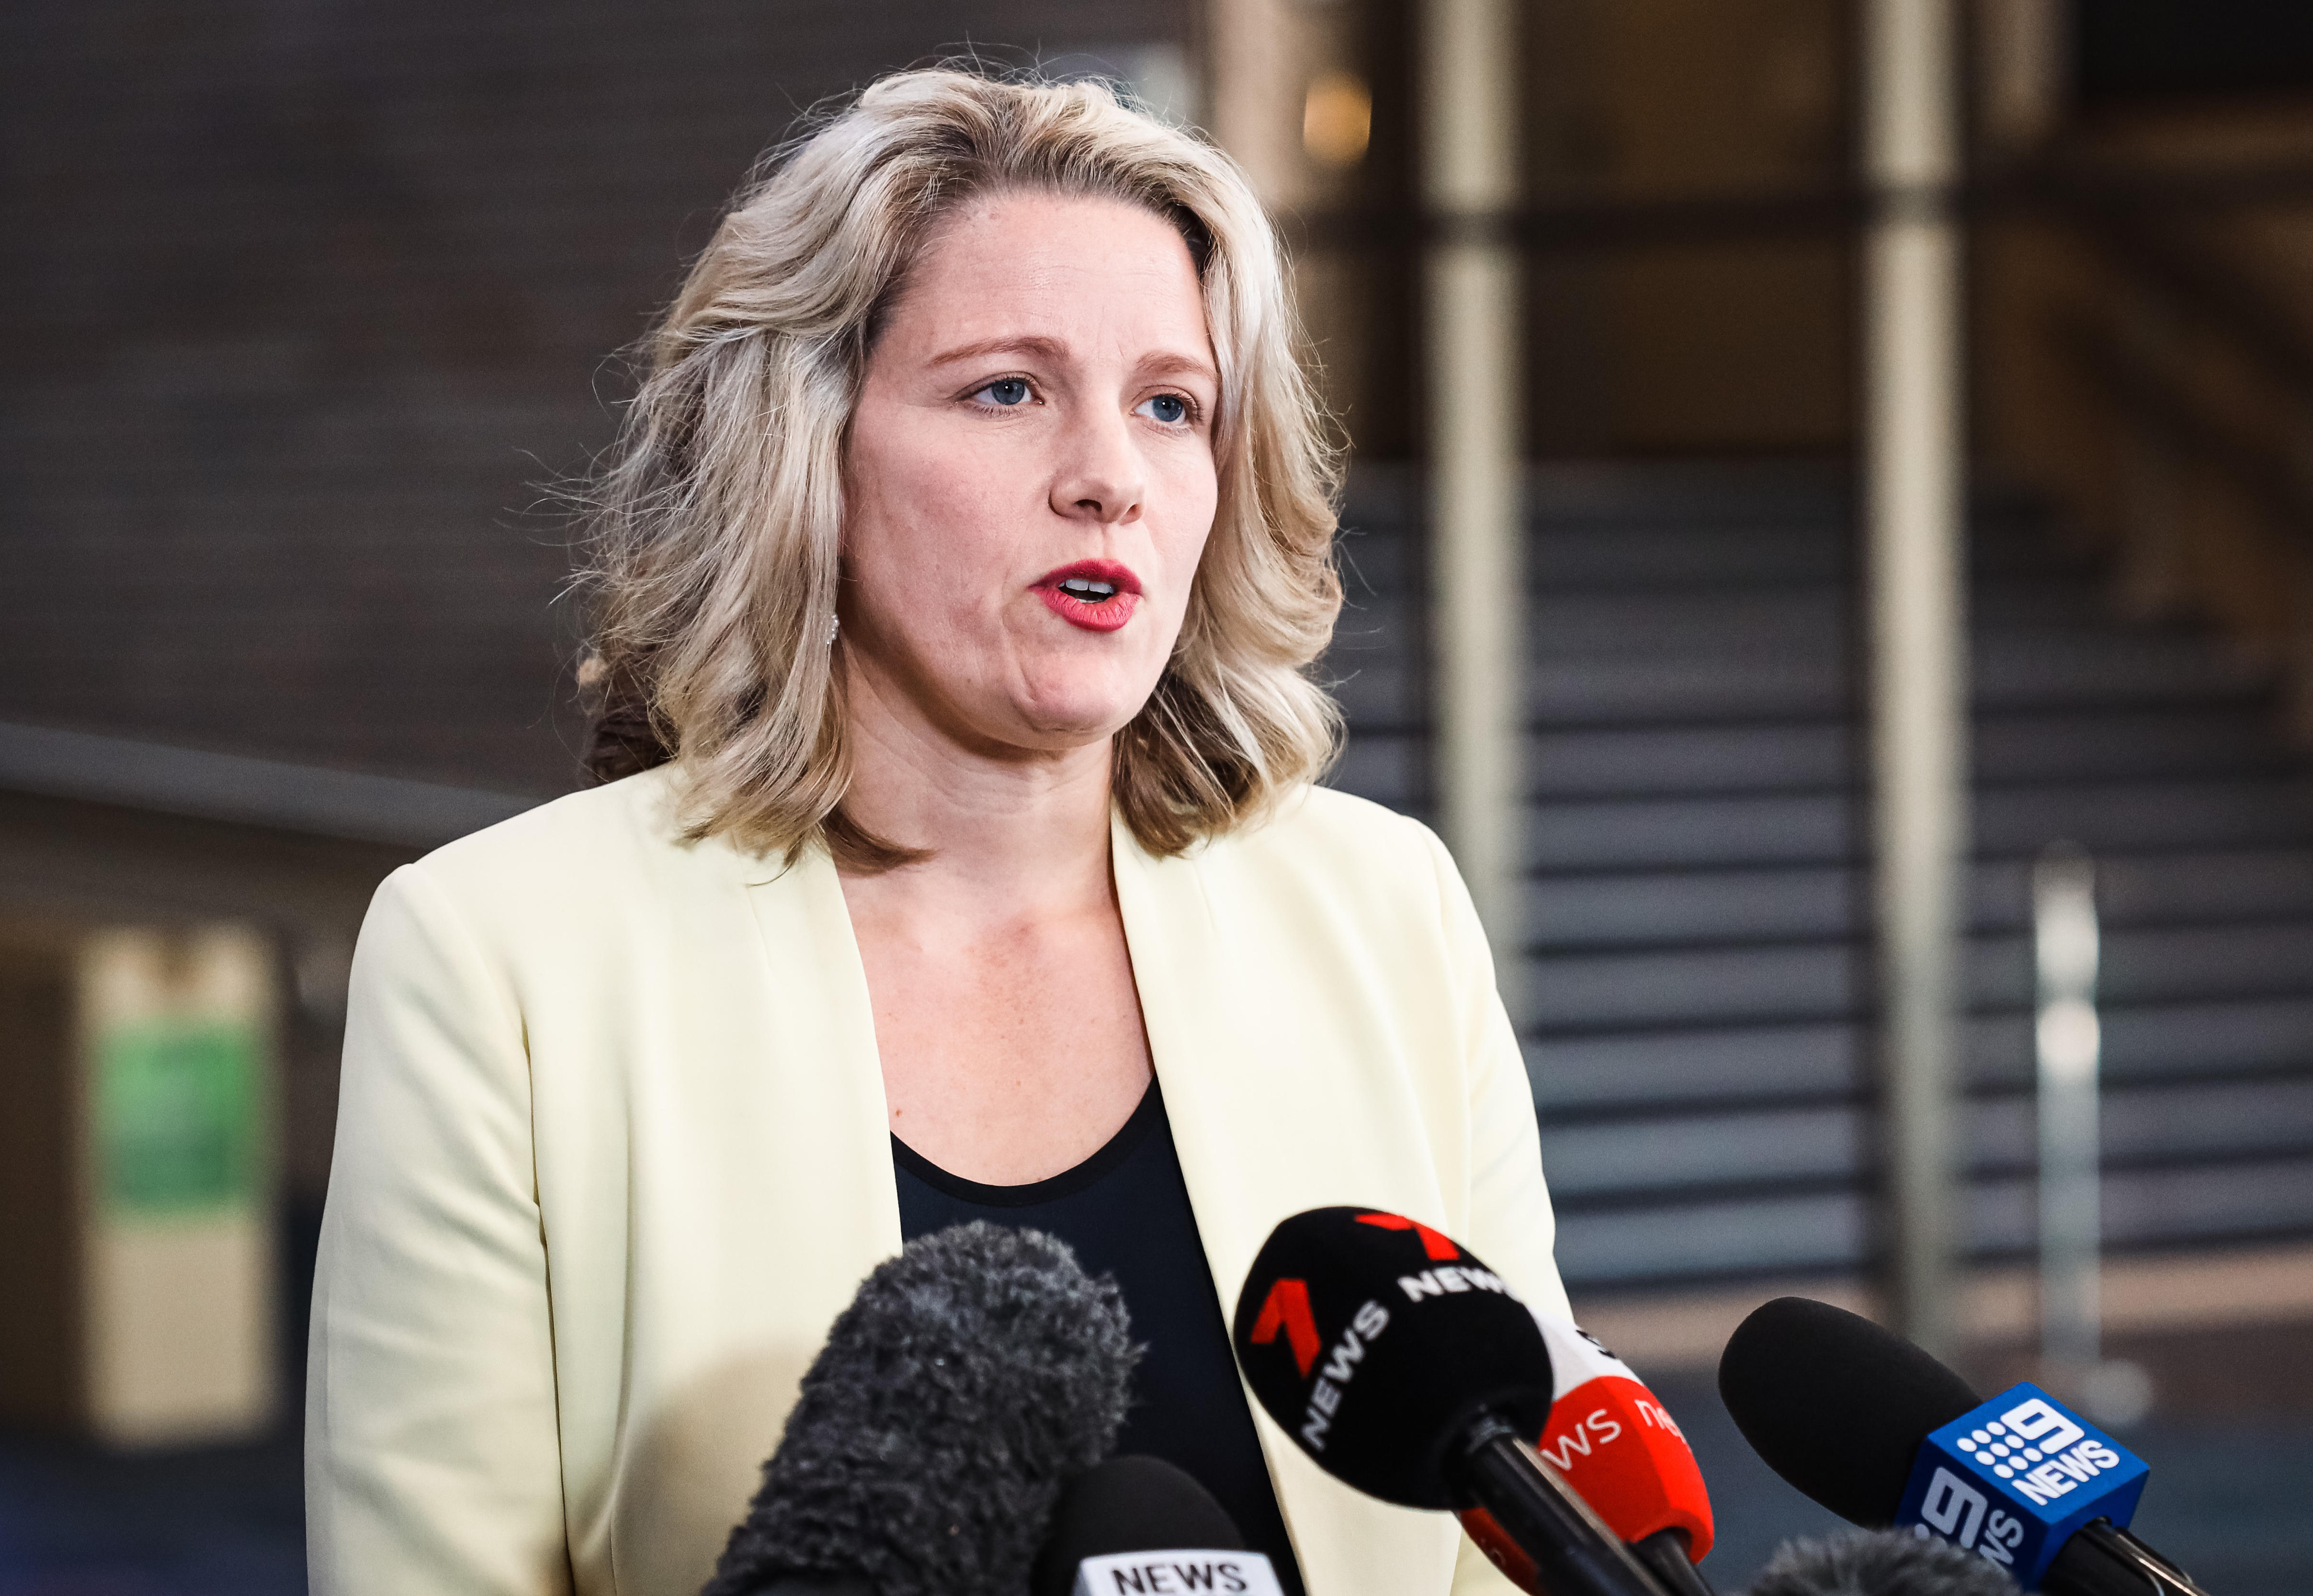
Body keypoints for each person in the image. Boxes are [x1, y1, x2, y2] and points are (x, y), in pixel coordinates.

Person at [305, 68, 1567, 1596]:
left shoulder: (1386, 913)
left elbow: (1525, 1533)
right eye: (1008, 390)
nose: (1109, 477)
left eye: (1171, 405)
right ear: (806, 451)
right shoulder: (499, 962)